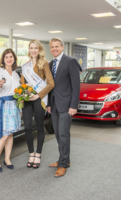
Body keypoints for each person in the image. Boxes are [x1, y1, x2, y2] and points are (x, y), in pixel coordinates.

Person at [47, 37, 80, 177]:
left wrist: (74, 105)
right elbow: (50, 86)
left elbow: (76, 85)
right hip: (54, 105)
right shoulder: (50, 64)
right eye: (52, 47)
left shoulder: (70, 61)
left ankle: (62, 165)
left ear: (62, 47)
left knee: (63, 134)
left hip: (67, 106)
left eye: (57, 46)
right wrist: (48, 103)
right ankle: (64, 159)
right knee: (57, 134)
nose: (54, 49)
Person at [20, 39, 54, 169]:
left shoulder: (44, 64)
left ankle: (38, 154)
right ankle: (31, 154)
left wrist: (38, 95)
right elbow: (22, 84)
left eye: (36, 48)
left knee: (40, 127)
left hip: (39, 99)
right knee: (27, 127)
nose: (33, 50)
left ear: (39, 50)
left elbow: (51, 84)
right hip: (28, 100)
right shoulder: (26, 66)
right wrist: (23, 95)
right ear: (29, 50)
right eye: (31, 48)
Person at [0, 48, 22, 173]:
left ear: (14, 59)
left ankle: (7, 159)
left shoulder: (15, 74)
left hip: (14, 105)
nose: (9, 59)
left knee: (10, 134)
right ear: (3, 59)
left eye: (11, 56)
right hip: (2, 105)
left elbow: (18, 92)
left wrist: (20, 106)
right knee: (3, 134)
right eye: (6, 57)